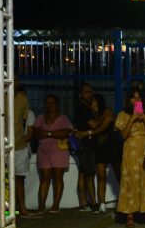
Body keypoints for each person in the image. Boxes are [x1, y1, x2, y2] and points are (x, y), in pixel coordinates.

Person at [115, 88, 145, 227]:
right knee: (129, 180)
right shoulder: (122, 115)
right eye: (134, 98)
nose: (136, 100)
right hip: (130, 149)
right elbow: (123, 135)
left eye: (139, 98)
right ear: (129, 100)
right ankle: (129, 214)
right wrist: (132, 119)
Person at [32, 94, 72, 214]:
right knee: (44, 178)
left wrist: (48, 133)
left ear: (57, 104)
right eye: (47, 103)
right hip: (43, 150)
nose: (50, 105)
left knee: (58, 177)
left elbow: (66, 132)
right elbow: (36, 133)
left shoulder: (64, 118)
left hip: (59, 150)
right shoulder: (40, 117)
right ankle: (41, 206)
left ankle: (55, 205)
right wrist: (55, 133)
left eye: (52, 102)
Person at [72, 82, 99, 211]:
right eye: (86, 92)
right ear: (80, 95)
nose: (90, 95)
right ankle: (93, 202)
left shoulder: (82, 107)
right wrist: (96, 112)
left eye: (91, 92)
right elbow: (95, 125)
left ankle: (84, 202)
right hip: (86, 144)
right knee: (89, 173)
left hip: (86, 143)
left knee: (83, 173)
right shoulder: (84, 108)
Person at [92, 94, 119, 212]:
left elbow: (100, 128)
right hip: (100, 146)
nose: (91, 103)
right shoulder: (93, 114)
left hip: (111, 145)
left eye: (93, 100)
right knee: (101, 176)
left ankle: (123, 201)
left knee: (120, 175)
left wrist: (86, 133)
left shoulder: (107, 113)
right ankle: (102, 203)